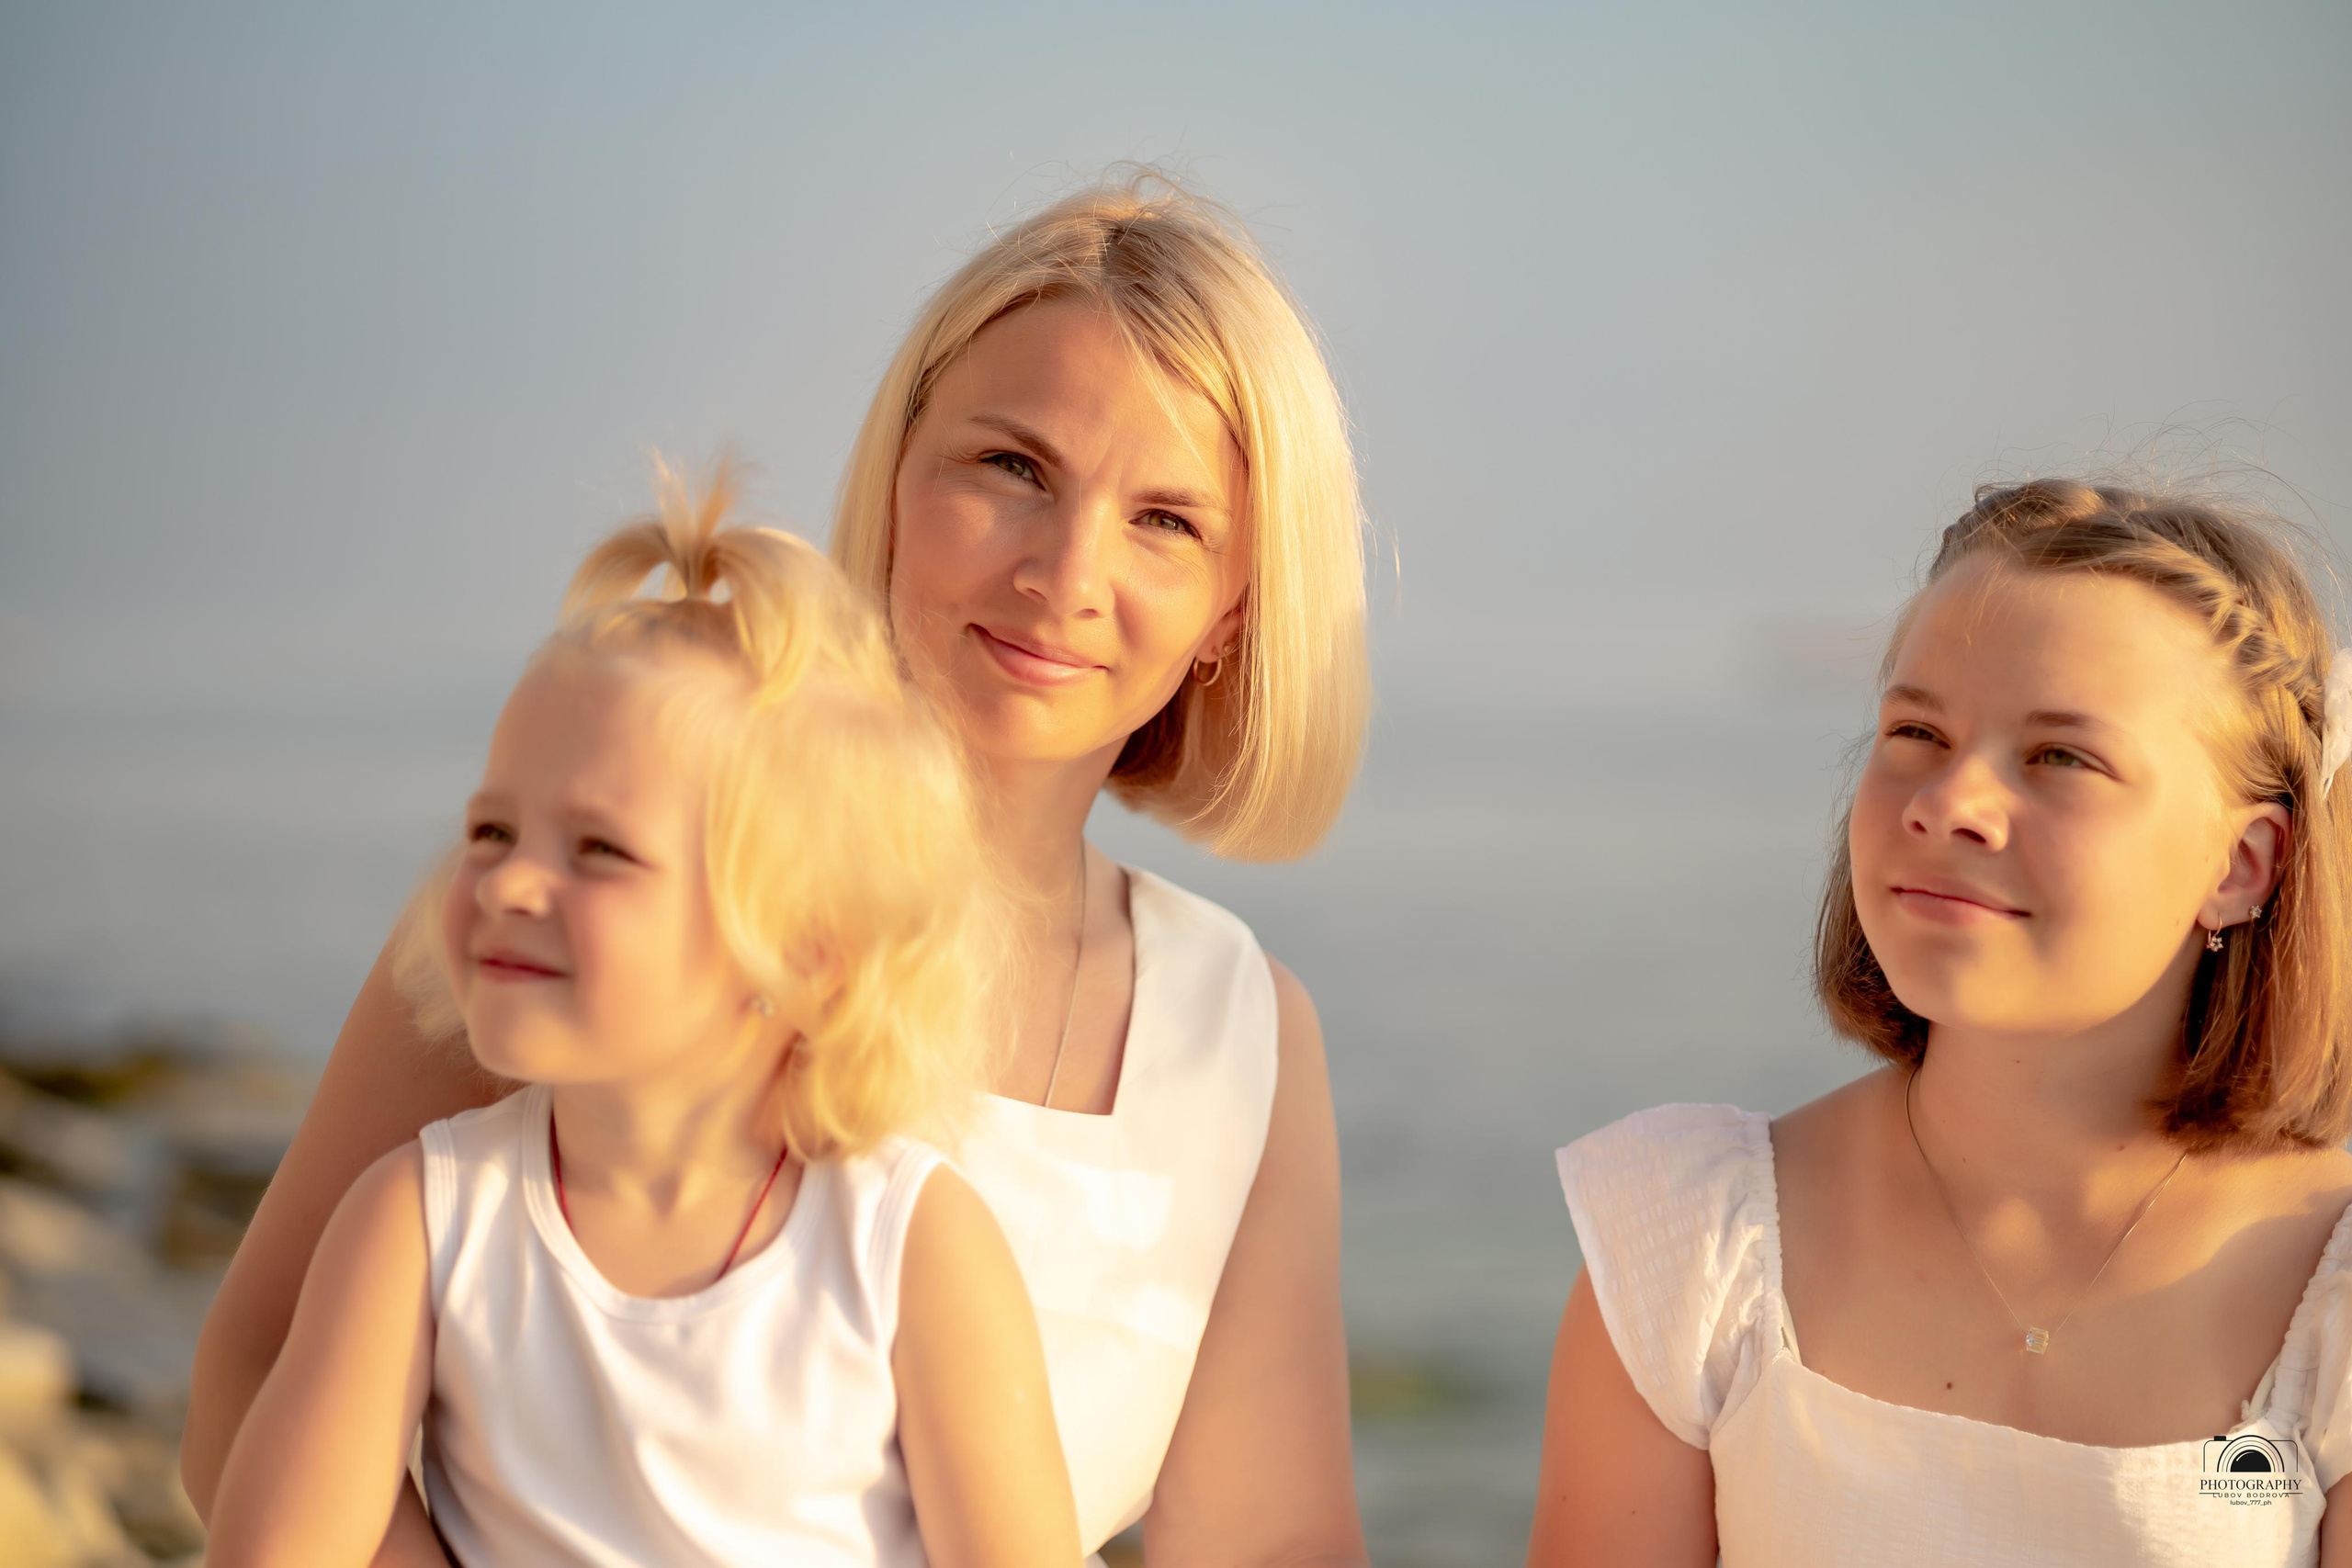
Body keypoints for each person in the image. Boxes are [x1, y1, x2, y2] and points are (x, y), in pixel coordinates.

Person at [184, 172, 1372, 1568]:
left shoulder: (1240, 1033)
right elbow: (248, 1395)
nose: (1065, 572)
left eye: (1166, 520)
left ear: (1233, 611)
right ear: (900, 466)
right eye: (1013, 468)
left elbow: (1271, 1544)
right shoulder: (589, 876)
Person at [201, 468, 1077, 1568]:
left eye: (599, 850)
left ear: (804, 947)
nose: (511, 883)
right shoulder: (423, 1220)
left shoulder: (903, 1244)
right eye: (491, 832)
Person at [1529, 479, 2352, 1566]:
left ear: (2242, 866)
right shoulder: (1691, 1246)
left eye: (2059, 756)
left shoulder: (2329, 1292)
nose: (1946, 801)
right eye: (1916, 730)